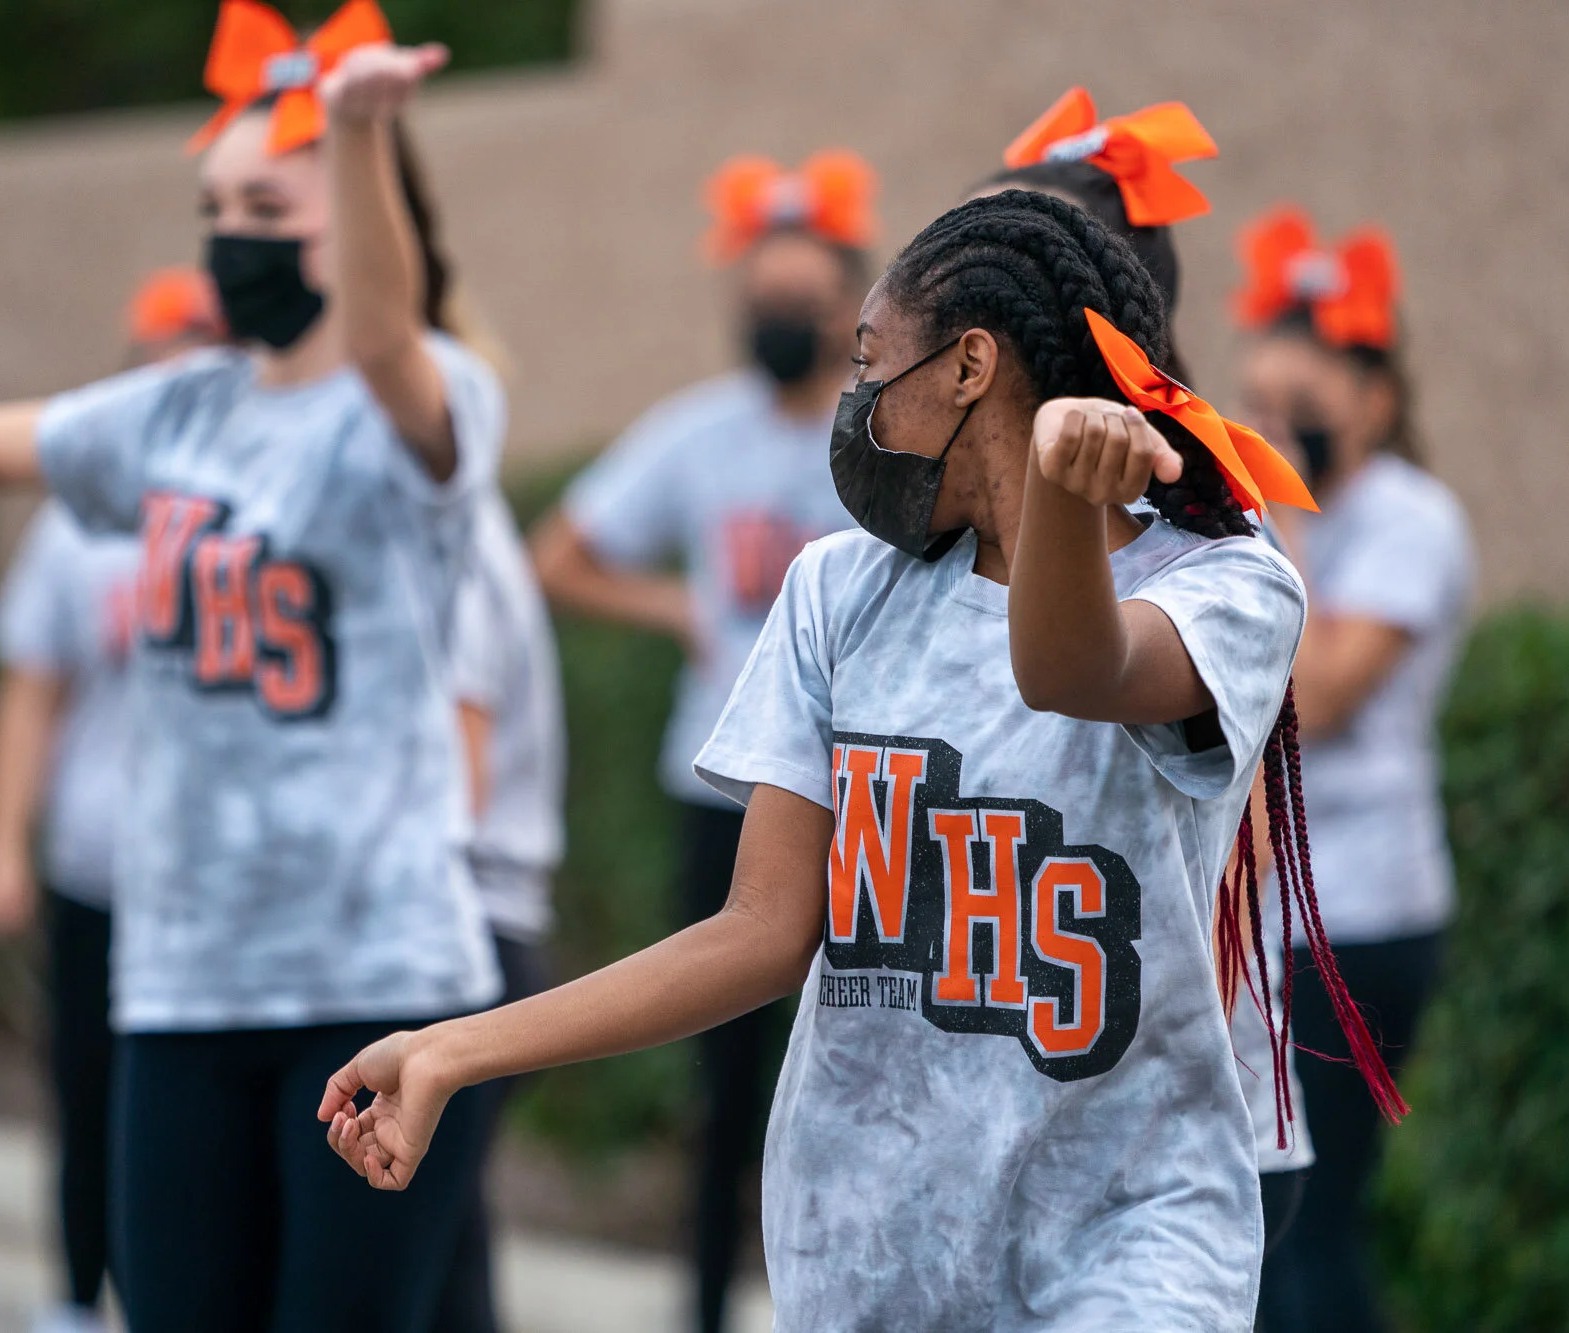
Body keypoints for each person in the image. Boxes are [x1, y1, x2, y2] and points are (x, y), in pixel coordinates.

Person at [323, 190, 1400, 1329]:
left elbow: (1068, 669)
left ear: (969, 366)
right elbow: (758, 930)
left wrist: (1052, 488)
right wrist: (451, 1049)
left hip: (1130, 1236)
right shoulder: (837, 589)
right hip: (869, 1238)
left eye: (868, 362)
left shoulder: (1227, 584)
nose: (852, 403)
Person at [0, 5, 508, 1327]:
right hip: (181, 979)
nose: (233, 237)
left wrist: (356, 128)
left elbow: (385, 342)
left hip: (377, 984)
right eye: (215, 208)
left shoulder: (431, 396)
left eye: (266, 208)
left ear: (360, 218)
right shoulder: (178, 409)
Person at [528, 148, 874, 1333]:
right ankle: (707, 1306)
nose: (777, 316)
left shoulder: (886, 434)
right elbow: (558, 556)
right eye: (759, 295)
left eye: (801, 297)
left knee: (859, 1071)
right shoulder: (697, 434)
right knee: (722, 1076)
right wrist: (678, 607)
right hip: (725, 792)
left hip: (871, 803)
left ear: (852, 304)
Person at [976, 87, 1318, 1245]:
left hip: (1172, 1134)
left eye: (998, 267)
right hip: (1013, 1115)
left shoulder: (1213, 543)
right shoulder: (909, 552)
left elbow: (1234, 832)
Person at [0, 269, 225, 1333]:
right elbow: (30, 693)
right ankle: (76, 1299)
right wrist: (0, 844)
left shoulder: (257, 513)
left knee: (202, 1115)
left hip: (217, 888)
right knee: (86, 1096)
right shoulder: (79, 528)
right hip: (98, 865)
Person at [1233, 205, 1473, 1333]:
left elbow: (1317, 699)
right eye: (1259, 406)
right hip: (1271, 923)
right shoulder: (1282, 523)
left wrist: (1273, 518)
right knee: (1260, 1233)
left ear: (1375, 400)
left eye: (1301, 406)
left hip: (1363, 916)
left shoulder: (1408, 519)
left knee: (1309, 1232)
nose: (1274, 430)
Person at [429, 489, 566, 1333]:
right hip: (483, 927)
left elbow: (457, 788)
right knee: (443, 1237)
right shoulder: (470, 532)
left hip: (463, 927)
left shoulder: (453, 547)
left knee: (422, 1248)